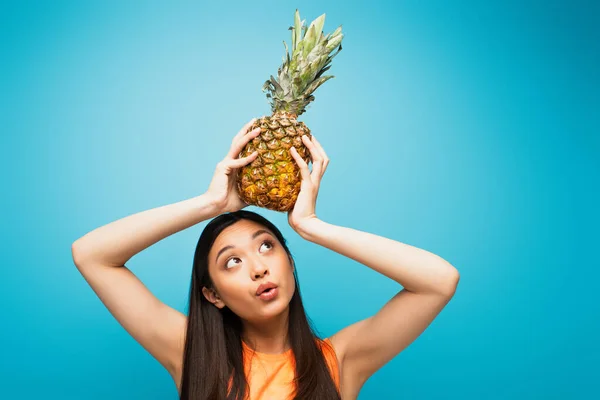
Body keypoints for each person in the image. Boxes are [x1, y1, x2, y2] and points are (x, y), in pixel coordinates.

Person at [71, 119, 460, 400]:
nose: (258, 267)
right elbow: (91, 255)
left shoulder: (341, 360)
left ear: (290, 263)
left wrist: (310, 227)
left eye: (267, 246)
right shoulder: (191, 354)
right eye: (232, 262)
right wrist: (210, 204)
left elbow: (439, 281)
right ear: (213, 295)